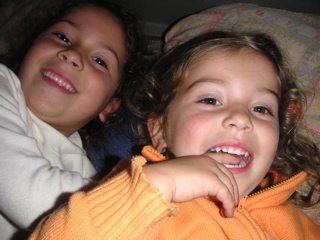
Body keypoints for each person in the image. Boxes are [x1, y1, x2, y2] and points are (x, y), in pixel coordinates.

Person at [30, 31, 320, 239]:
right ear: (160, 131)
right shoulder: (143, 201)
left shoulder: (297, 225)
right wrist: (156, 186)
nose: (242, 119)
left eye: (261, 108)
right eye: (210, 100)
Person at [0, 0, 145, 239]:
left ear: (109, 106)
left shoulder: (83, 171)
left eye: (100, 61)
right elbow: (29, 196)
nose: (72, 55)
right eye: (62, 37)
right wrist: (158, 185)